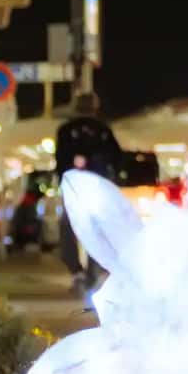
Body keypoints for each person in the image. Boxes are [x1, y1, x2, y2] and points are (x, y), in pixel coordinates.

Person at [54, 93, 121, 292]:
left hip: (74, 189)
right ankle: (93, 270)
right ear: (95, 107)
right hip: (96, 188)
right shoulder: (103, 131)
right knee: (97, 230)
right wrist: (109, 177)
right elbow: (116, 158)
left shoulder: (65, 131)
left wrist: (64, 180)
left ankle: (76, 271)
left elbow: (59, 161)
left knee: (68, 228)